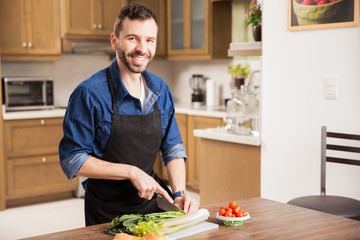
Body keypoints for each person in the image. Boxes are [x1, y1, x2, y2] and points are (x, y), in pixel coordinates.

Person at [59, 3, 198, 226]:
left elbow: (172, 148)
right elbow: (72, 159)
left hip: (153, 207)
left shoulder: (160, 90)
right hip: (106, 212)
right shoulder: (89, 94)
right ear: (114, 41)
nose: (142, 48)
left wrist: (179, 192)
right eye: (133, 38)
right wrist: (132, 172)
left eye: (149, 40)